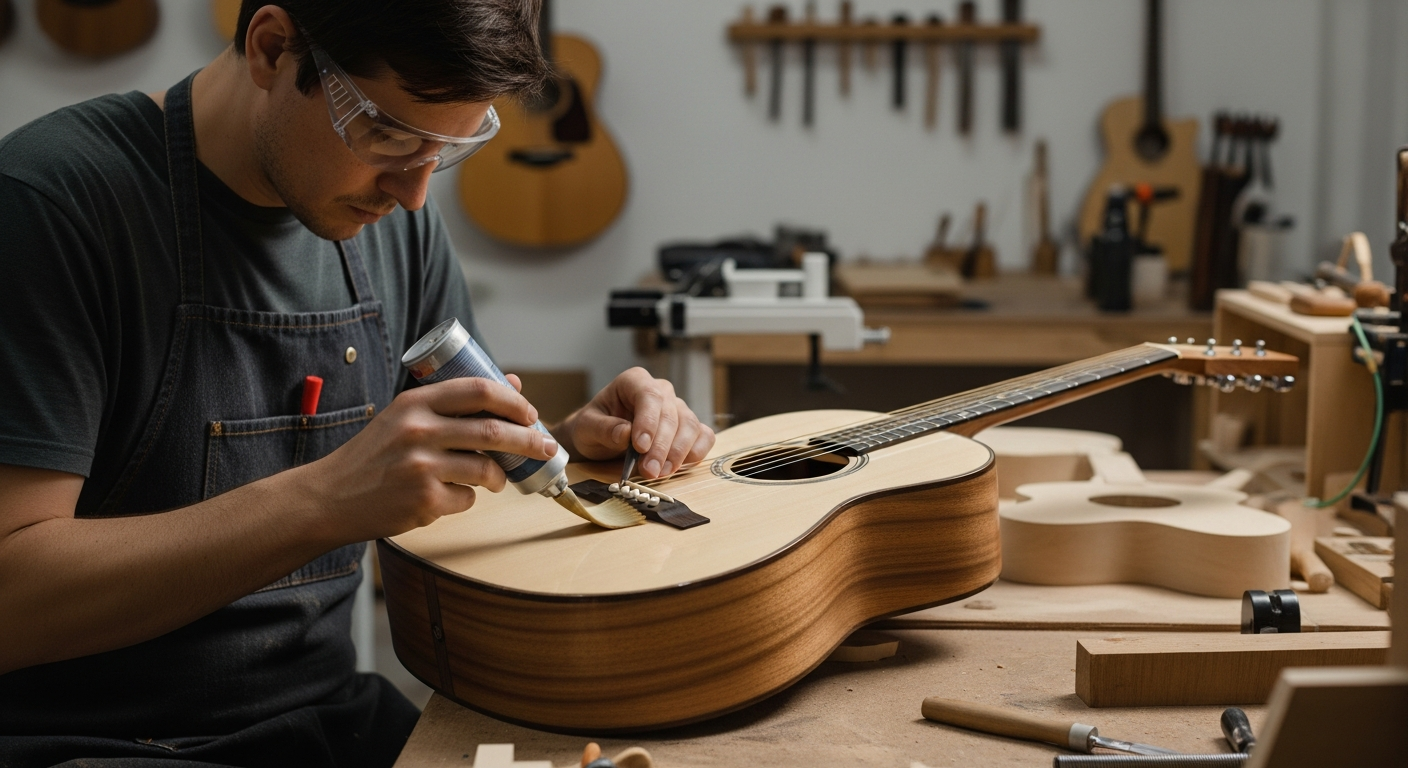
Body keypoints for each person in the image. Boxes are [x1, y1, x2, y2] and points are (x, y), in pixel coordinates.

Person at [0, 1, 714, 766]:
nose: (413, 194)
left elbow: (443, 493)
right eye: (391, 136)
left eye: (447, 149)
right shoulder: (52, 204)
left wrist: (566, 455)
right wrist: (324, 500)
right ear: (272, 49)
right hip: (83, 745)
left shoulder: (394, 225)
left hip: (327, 728)